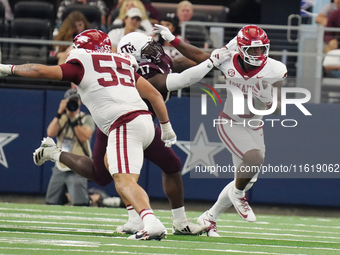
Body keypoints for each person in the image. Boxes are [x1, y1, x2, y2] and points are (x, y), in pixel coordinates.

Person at [0, 29, 177, 241]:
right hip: (145, 122)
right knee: (110, 166)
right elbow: (155, 95)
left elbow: (40, 70)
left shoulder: (83, 64)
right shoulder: (123, 63)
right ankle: (135, 219)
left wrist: (7, 68)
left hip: (123, 123)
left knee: (124, 181)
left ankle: (151, 222)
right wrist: (166, 128)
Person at [154, 24, 287, 237]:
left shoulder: (276, 68)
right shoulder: (228, 61)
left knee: (247, 177)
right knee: (253, 160)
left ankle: (210, 217)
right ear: (242, 49)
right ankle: (238, 195)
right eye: (253, 49)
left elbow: (278, 107)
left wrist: (268, 101)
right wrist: (173, 39)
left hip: (255, 125)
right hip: (231, 122)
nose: (258, 53)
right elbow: (198, 56)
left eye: (262, 49)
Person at [45, 88, 121, 208]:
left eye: (75, 101)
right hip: (60, 165)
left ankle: (94, 198)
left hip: (78, 166)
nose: (72, 104)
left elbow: (84, 137)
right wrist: (59, 113)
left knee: (80, 203)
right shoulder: (62, 118)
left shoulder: (86, 118)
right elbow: (50, 132)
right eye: (70, 101)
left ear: (79, 102)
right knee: (51, 201)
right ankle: (81, 197)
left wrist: (73, 119)